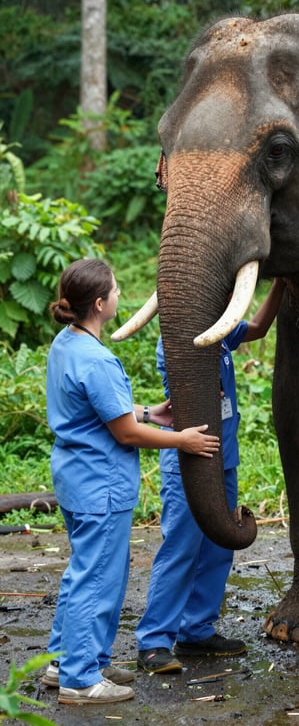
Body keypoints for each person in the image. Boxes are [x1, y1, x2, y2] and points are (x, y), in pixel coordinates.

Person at [41, 258, 221, 705]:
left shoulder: (67, 344)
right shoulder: (97, 359)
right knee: (98, 577)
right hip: (99, 484)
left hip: (75, 475)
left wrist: (147, 411)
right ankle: (81, 680)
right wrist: (180, 438)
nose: (122, 295)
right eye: (117, 290)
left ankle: (68, 660)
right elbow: (123, 433)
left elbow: (103, 413)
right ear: (100, 304)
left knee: (83, 571)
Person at [135, 278, 286, 674]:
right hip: (189, 459)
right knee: (181, 547)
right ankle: (153, 642)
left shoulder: (220, 331)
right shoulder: (176, 342)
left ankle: (197, 630)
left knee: (220, 544)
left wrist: (281, 285)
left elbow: (256, 329)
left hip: (224, 456)